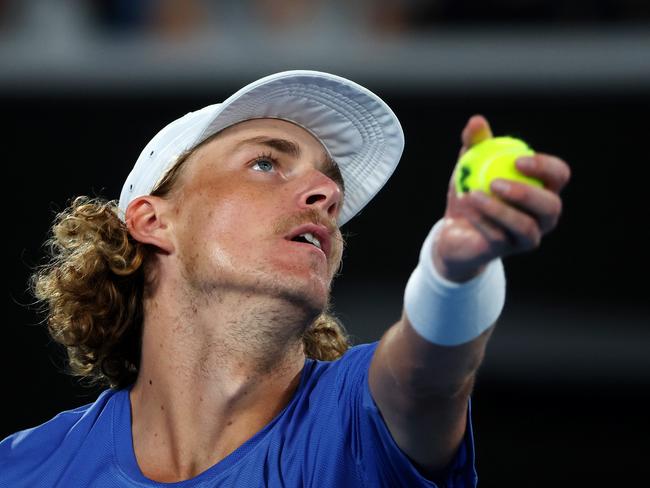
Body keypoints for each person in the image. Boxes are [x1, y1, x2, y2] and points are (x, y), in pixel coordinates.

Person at [0, 70, 570, 487]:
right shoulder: (22, 470)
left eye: (329, 185)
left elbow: (430, 378)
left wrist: (454, 271)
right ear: (154, 221)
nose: (327, 196)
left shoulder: (358, 426)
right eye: (266, 163)